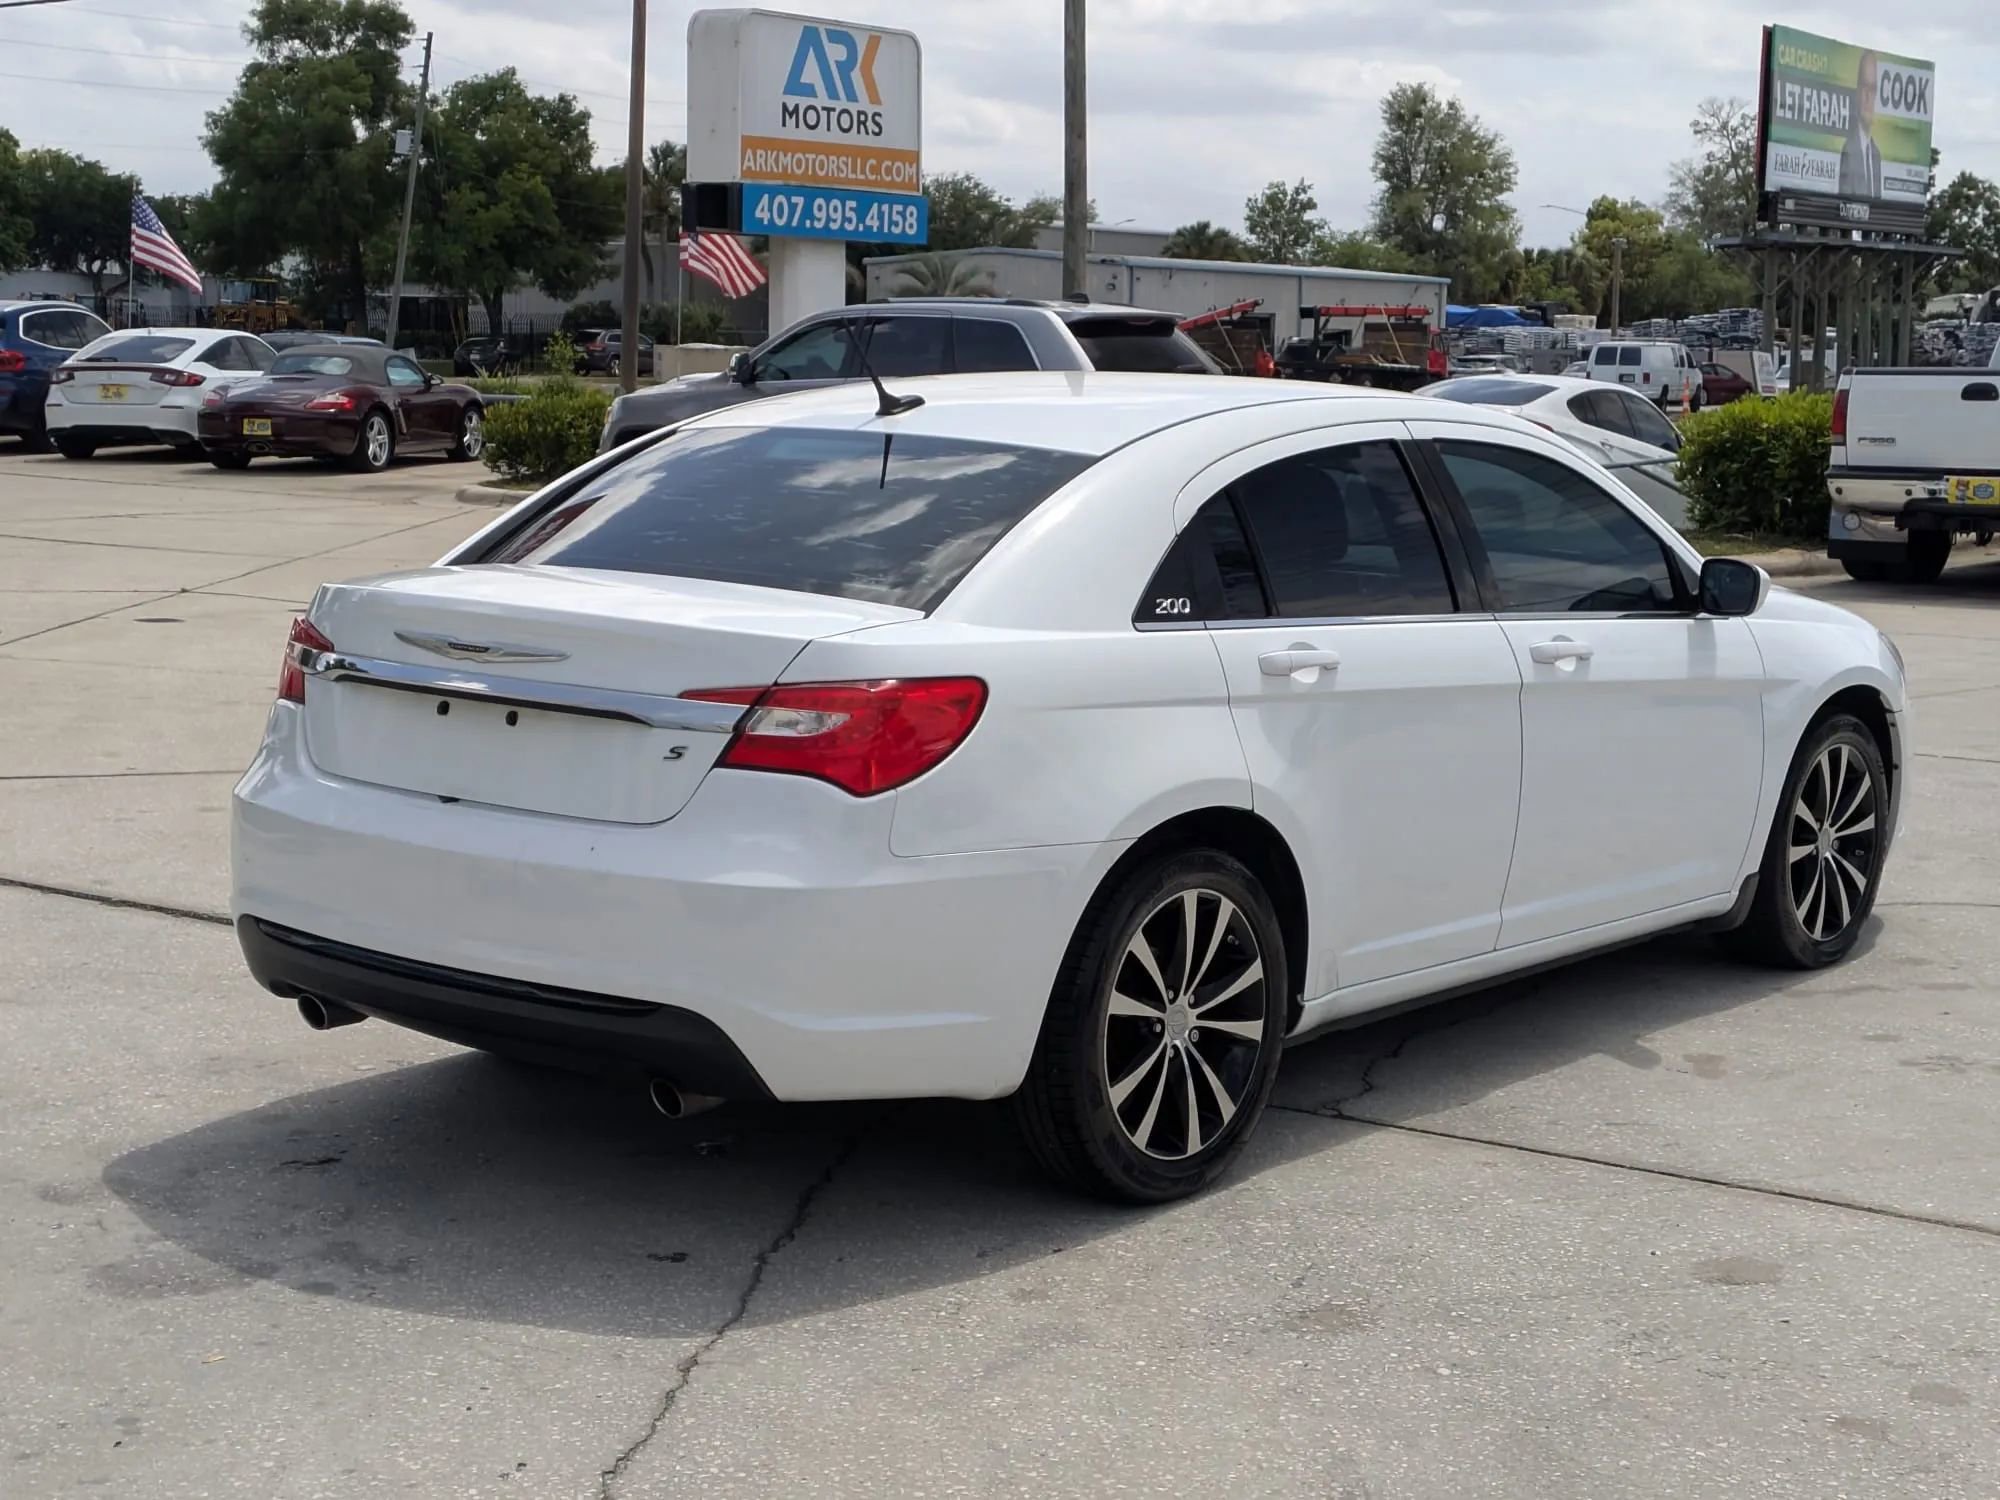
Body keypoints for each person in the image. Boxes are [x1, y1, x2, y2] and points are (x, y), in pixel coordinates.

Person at [1839, 51, 1884, 201]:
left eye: (1873, 89)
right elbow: (1843, 203)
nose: (1868, 96)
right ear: (1857, 91)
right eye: (1865, 87)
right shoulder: (1848, 149)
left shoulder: (1876, 154)